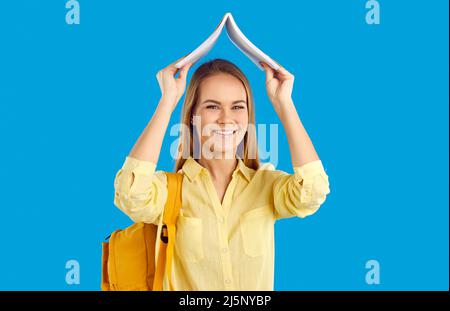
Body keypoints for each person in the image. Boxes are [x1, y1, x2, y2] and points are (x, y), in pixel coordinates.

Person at [113, 58, 331, 290]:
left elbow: (312, 192)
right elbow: (131, 193)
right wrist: (167, 102)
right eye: (212, 106)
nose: (226, 119)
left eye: (237, 106)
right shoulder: (169, 191)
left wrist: (284, 104)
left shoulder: (266, 185)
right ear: (192, 117)